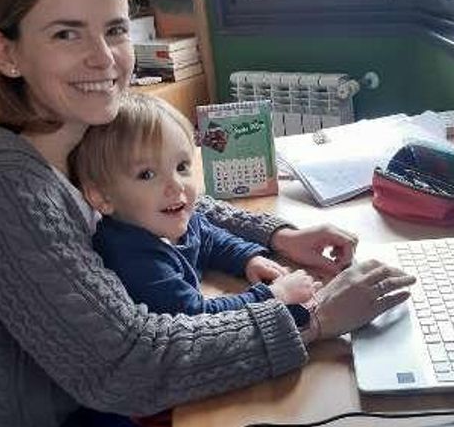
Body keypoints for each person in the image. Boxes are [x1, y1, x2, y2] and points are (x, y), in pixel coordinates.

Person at [0, 0, 416, 427]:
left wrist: (275, 236)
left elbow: (157, 202)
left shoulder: (68, 132)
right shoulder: (2, 194)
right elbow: (131, 366)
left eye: (114, 30)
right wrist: (310, 317)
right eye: (66, 33)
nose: (103, 58)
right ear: (6, 52)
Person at [77, 95, 319, 315]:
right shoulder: (133, 259)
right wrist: (275, 295)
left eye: (181, 167)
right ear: (103, 198)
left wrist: (246, 259)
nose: (176, 185)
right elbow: (195, 315)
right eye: (147, 175)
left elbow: (208, 238)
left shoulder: (169, 218)